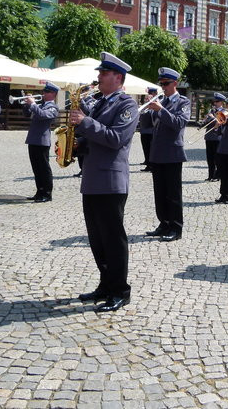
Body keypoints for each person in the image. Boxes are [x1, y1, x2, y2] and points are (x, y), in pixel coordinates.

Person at [70, 52, 139, 312]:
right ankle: (105, 284)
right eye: (100, 73)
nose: (98, 77)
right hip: (92, 178)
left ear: (117, 77)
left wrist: (86, 122)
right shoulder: (99, 103)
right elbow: (93, 138)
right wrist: (76, 144)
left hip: (111, 180)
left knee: (112, 238)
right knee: (96, 238)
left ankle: (120, 290)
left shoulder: (127, 105)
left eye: (103, 73)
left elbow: (115, 139)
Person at [144, 67, 190, 242]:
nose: (163, 87)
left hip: (172, 153)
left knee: (173, 193)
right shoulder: (160, 101)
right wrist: (148, 108)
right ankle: (163, 223)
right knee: (160, 192)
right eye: (161, 84)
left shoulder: (183, 102)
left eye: (166, 84)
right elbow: (147, 125)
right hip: (157, 153)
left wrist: (160, 110)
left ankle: (175, 228)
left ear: (175, 84)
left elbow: (178, 123)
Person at [23, 82, 60, 202]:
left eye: (47, 92)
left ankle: (47, 193)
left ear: (53, 94)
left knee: (44, 168)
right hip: (33, 139)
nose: (43, 94)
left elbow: (42, 115)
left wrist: (33, 104)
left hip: (42, 141)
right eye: (44, 91)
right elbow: (27, 114)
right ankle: (39, 191)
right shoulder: (41, 105)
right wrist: (26, 104)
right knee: (36, 168)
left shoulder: (53, 107)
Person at [203, 92, 226, 180]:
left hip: (217, 138)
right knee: (209, 158)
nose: (215, 103)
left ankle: (218, 176)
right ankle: (210, 175)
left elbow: (220, 121)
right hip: (209, 137)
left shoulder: (224, 111)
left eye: (217, 102)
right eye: (214, 102)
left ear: (221, 102)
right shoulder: (211, 111)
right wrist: (205, 119)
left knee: (217, 158)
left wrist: (212, 117)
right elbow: (207, 123)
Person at [139, 87, 158, 172]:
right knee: (145, 148)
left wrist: (149, 108)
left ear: (154, 93)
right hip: (144, 130)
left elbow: (154, 117)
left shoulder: (157, 102)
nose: (149, 96)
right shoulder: (147, 104)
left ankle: (151, 165)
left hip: (151, 131)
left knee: (150, 149)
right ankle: (147, 163)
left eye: (151, 93)